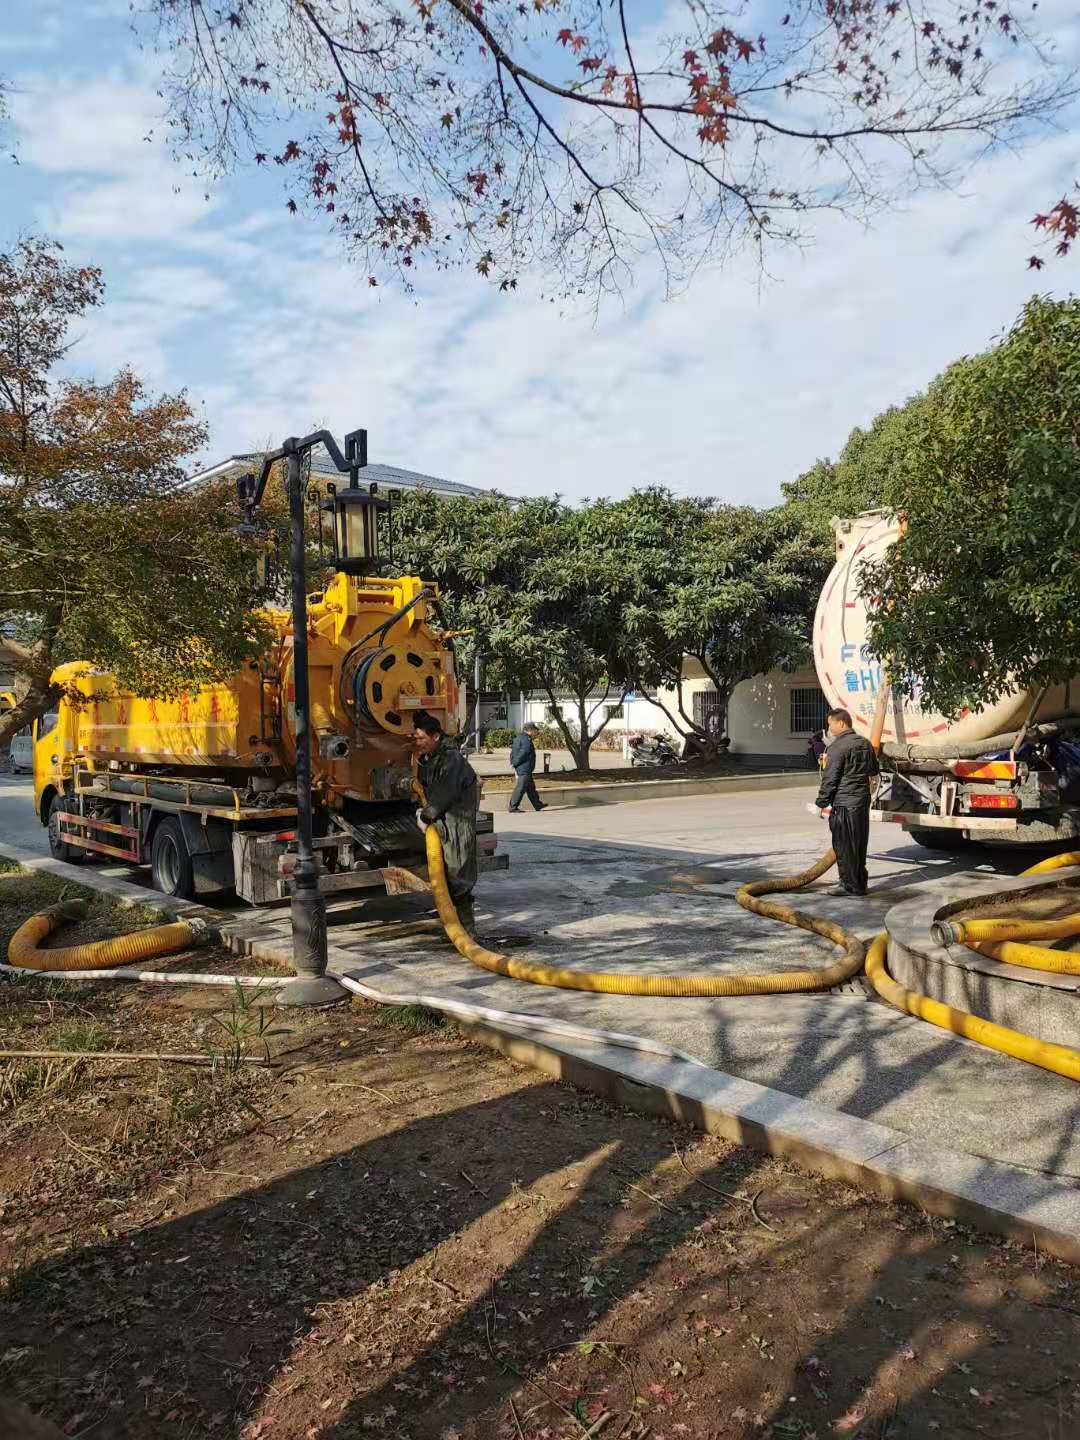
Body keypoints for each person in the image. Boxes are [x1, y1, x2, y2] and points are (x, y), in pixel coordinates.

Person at [413, 711, 480, 935]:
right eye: (416, 738)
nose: (418, 742)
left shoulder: (451, 760)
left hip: (456, 824)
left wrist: (425, 816)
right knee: (446, 875)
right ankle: (454, 928)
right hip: (444, 823)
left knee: (458, 874)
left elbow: (445, 793)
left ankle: (467, 933)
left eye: (422, 738)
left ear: (436, 737)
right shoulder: (432, 759)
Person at [814, 706, 878, 896]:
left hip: (844, 804)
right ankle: (860, 884)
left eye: (830, 724)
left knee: (843, 845)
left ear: (841, 723)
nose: (829, 729)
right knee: (858, 844)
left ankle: (849, 886)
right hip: (861, 802)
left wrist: (821, 802)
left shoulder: (837, 747)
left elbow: (830, 778)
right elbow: (873, 770)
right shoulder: (865, 743)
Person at [508, 722, 548, 814]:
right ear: (530, 730)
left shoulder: (519, 737)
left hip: (523, 767)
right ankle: (513, 807)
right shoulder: (526, 739)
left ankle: (537, 804)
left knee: (530, 788)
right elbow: (524, 752)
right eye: (535, 730)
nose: (536, 732)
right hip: (524, 767)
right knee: (521, 787)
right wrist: (515, 763)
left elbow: (513, 752)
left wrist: (513, 762)